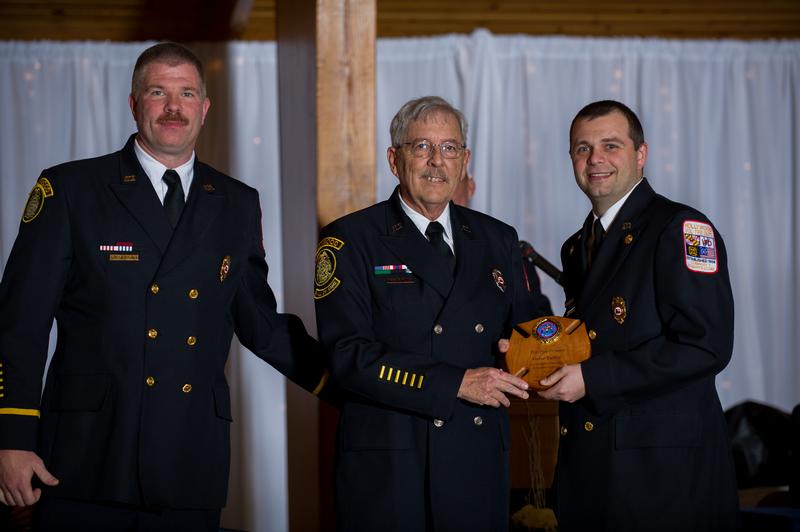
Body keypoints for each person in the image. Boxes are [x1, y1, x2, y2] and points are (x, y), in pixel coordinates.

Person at [0, 42, 329, 531]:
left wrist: (350, 382)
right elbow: (19, 323)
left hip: (189, 453)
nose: (174, 108)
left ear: (204, 107)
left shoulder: (236, 202)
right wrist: (12, 438)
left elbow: (261, 324)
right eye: (158, 92)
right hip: (88, 452)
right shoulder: (71, 190)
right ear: (134, 104)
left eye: (187, 93)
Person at [313, 96, 539, 531]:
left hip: (476, 459)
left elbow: (527, 328)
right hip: (393, 463)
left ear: (465, 160)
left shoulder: (498, 239)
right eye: (421, 147)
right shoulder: (350, 239)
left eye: (450, 148)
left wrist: (541, 354)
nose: (437, 161)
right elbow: (348, 356)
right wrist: (455, 382)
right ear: (394, 159)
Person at [539, 100, 740, 531]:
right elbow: (594, 337)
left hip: (661, 478)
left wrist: (591, 378)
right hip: (595, 469)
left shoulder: (680, 228)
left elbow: (704, 345)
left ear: (641, 154)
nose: (595, 160)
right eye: (582, 148)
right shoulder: (576, 246)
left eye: (610, 145)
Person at [452, 171, 553, 317]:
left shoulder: (507, 249)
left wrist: (515, 339)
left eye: (453, 185)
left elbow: (537, 322)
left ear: (470, 187)